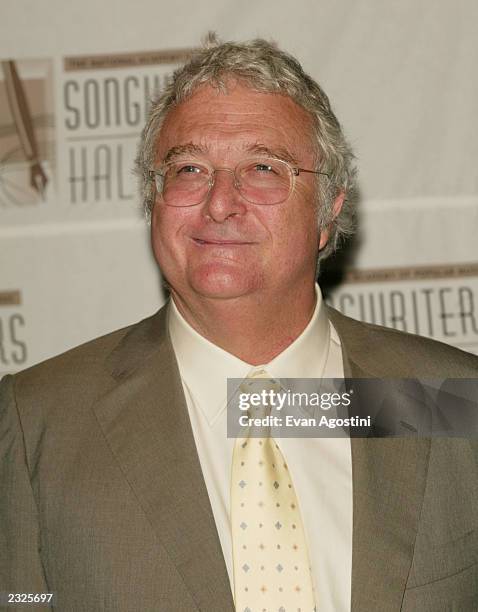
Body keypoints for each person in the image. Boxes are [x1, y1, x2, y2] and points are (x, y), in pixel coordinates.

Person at [1, 34, 477, 612]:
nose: (220, 202)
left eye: (262, 167)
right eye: (189, 168)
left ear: (328, 210)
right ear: (154, 200)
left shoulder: (451, 401)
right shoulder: (36, 424)